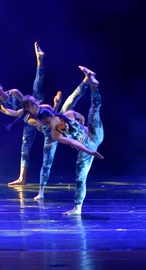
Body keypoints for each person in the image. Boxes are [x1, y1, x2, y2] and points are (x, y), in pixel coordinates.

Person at [37, 66, 103, 216]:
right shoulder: (55, 134)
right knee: (80, 178)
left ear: (53, 116)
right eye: (45, 124)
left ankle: (93, 86)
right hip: (86, 149)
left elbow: (82, 118)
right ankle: (77, 208)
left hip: (94, 135)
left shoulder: (69, 114)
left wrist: (84, 128)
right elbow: (74, 143)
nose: (47, 126)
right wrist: (90, 151)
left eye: (47, 122)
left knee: (94, 111)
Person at [21, 65, 92, 201]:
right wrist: (57, 103)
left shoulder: (44, 107)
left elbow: (53, 116)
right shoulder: (30, 119)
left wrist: (56, 103)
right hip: (51, 136)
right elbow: (46, 124)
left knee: (71, 101)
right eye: (33, 104)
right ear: (28, 108)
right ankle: (41, 192)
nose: (36, 104)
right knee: (46, 163)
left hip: (58, 123)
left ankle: (86, 79)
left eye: (35, 101)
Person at [0, 42, 45, 186]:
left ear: (2, 87)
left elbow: (24, 106)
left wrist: (18, 112)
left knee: (37, 84)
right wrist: (15, 113)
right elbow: (17, 114)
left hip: (33, 105)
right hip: (28, 120)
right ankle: (22, 178)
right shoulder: (0, 106)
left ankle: (40, 59)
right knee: (25, 148)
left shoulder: (14, 92)